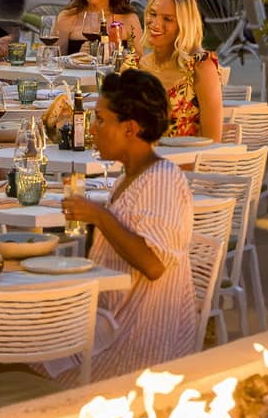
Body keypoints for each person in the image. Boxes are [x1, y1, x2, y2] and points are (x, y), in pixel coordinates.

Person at [52, 70, 195, 385]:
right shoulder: (128, 176)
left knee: (9, 350)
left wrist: (100, 216)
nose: (91, 129)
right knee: (13, 334)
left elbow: (153, 264)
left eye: (100, 120)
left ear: (130, 128)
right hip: (109, 323)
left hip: (138, 344)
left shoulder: (163, 180)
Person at [120, 0, 223, 140]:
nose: (155, 24)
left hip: (185, 162)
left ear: (184, 25)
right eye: (152, 14)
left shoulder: (200, 67)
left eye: (167, 19)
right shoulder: (134, 66)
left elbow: (213, 140)